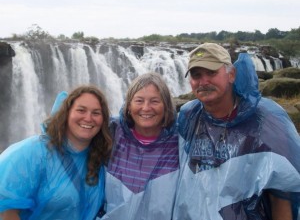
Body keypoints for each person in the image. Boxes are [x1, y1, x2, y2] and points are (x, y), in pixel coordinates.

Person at [172, 43, 300, 220]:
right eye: (196, 75)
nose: (203, 81)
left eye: (211, 73)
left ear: (231, 74)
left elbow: (282, 194)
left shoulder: (266, 121)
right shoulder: (188, 115)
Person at [0, 85, 112, 220]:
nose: (88, 118)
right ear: (66, 113)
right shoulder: (32, 152)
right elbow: (6, 212)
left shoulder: (99, 157)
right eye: (81, 110)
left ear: (103, 120)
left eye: (96, 113)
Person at [97, 72, 179, 220]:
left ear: (166, 106)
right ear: (128, 106)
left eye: (154, 101)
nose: (146, 108)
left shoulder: (180, 141)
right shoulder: (110, 133)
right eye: (139, 101)